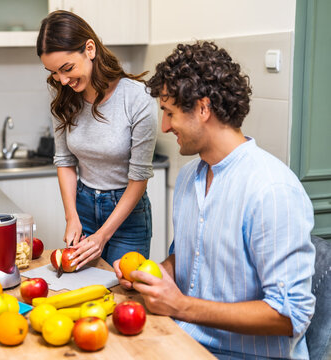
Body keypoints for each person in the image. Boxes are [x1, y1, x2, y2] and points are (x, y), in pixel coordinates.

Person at [113, 41, 316, 359]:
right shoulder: (188, 177)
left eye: (170, 113)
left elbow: (290, 314)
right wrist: (154, 275)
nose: (164, 126)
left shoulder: (272, 190)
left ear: (203, 109)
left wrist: (181, 306)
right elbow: (191, 257)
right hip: (184, 341)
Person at [36, 10, 158, 268]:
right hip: (83, 206)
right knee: (81, 293)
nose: (63, 80)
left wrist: (103, 235)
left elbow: (139, 179)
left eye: (67, 68)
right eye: (55, 72)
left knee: (121, 294)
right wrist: (72, 217)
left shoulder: (137, 98)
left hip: (127, 214)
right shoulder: (63, 98)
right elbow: (65, 162)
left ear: (89, 49)